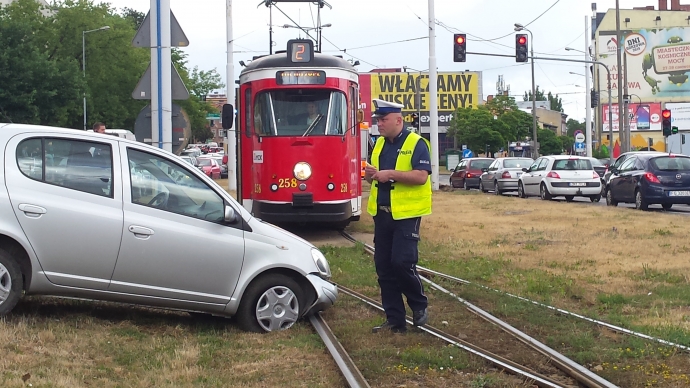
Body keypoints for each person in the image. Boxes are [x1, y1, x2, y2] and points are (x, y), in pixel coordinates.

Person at [364, 98, 432, 334]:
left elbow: (422, 176)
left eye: (383, 120)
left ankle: (419, 305)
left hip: (406, 214)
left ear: (398, 120)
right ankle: (395, 320)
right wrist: (371, 174)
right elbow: (371, 177)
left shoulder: (417, 143)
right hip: (381, 214)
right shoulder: (379, 145)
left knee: (401, 263)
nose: (379, 124)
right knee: (384, 268)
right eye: (378, 120)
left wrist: (390, 174)